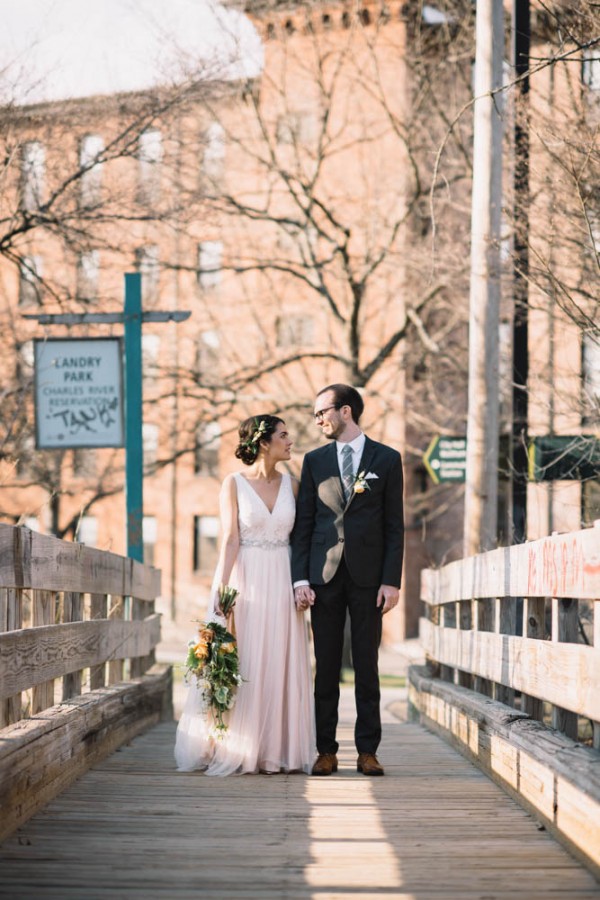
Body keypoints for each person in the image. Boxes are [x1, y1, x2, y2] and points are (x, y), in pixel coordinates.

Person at [175, 414, 315, 775]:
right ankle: (239, 746)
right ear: (264, 442)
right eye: (284, 435)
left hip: (283, 579)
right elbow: (230, 539)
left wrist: (303, 582)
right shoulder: (233, 484)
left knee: (280, 659)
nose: (290, 441)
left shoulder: (294, 485)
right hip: (247, 578)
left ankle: (273, 750)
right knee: (248, 659)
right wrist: (221, 594)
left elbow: (301, 541)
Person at [291, 384, 404, 777]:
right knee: (325, 667)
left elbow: (394, 525)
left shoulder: (387, 459)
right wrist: (299, 578)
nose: (318, 420)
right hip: (323, 578)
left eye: (322, 412)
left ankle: (367, 752)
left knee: (367, 666)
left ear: (346, 411)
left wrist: (392, 581)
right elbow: (304, 523)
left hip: (369, 579)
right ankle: (326, 750)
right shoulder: (314, 460)